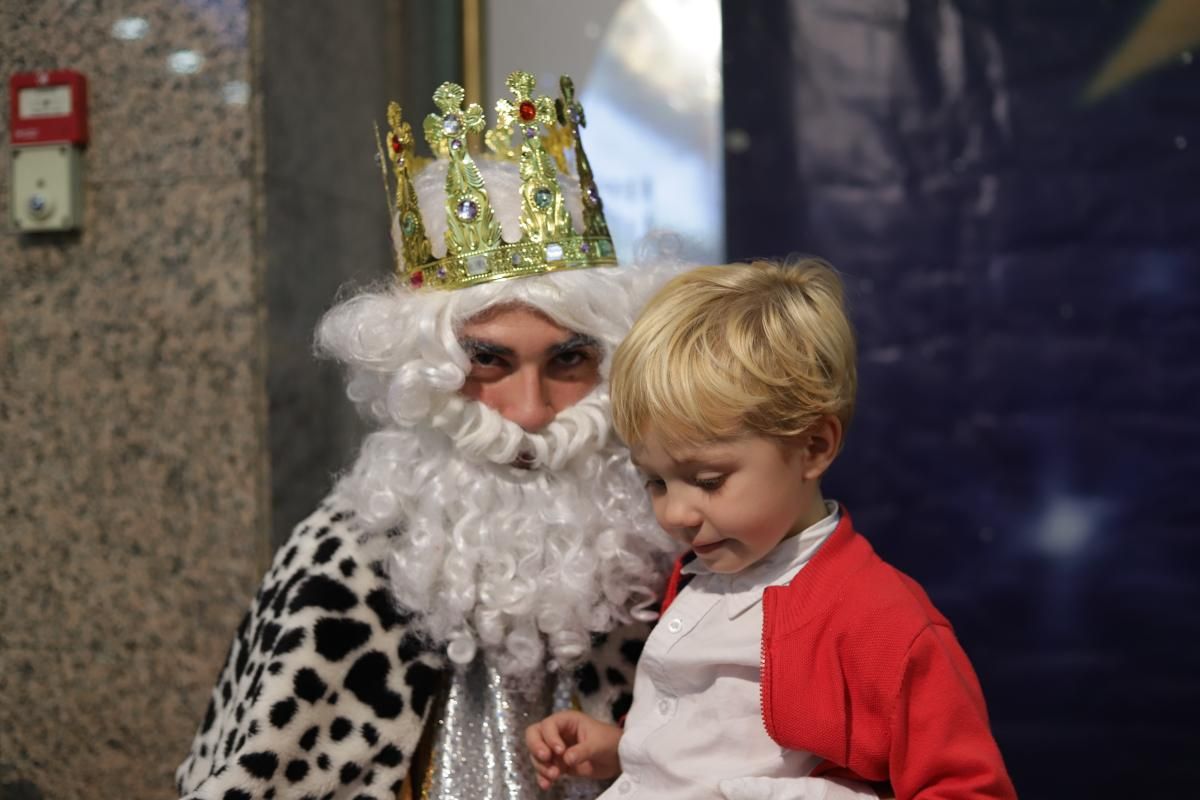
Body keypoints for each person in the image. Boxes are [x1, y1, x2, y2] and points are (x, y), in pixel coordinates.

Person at [175, 71, 681, 800]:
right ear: (424, 370)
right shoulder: (341, 561)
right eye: (488, 362)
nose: (531, 412)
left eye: (568, 359)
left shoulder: (674, 537)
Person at [527, 259, 1018, 800]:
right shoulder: (700, 575)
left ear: (813, 447)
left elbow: (969, 788)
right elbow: (724, 747)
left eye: (708, 480)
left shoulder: (882, 622)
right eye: (656, 483)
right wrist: (623, 752)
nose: (674, 514)